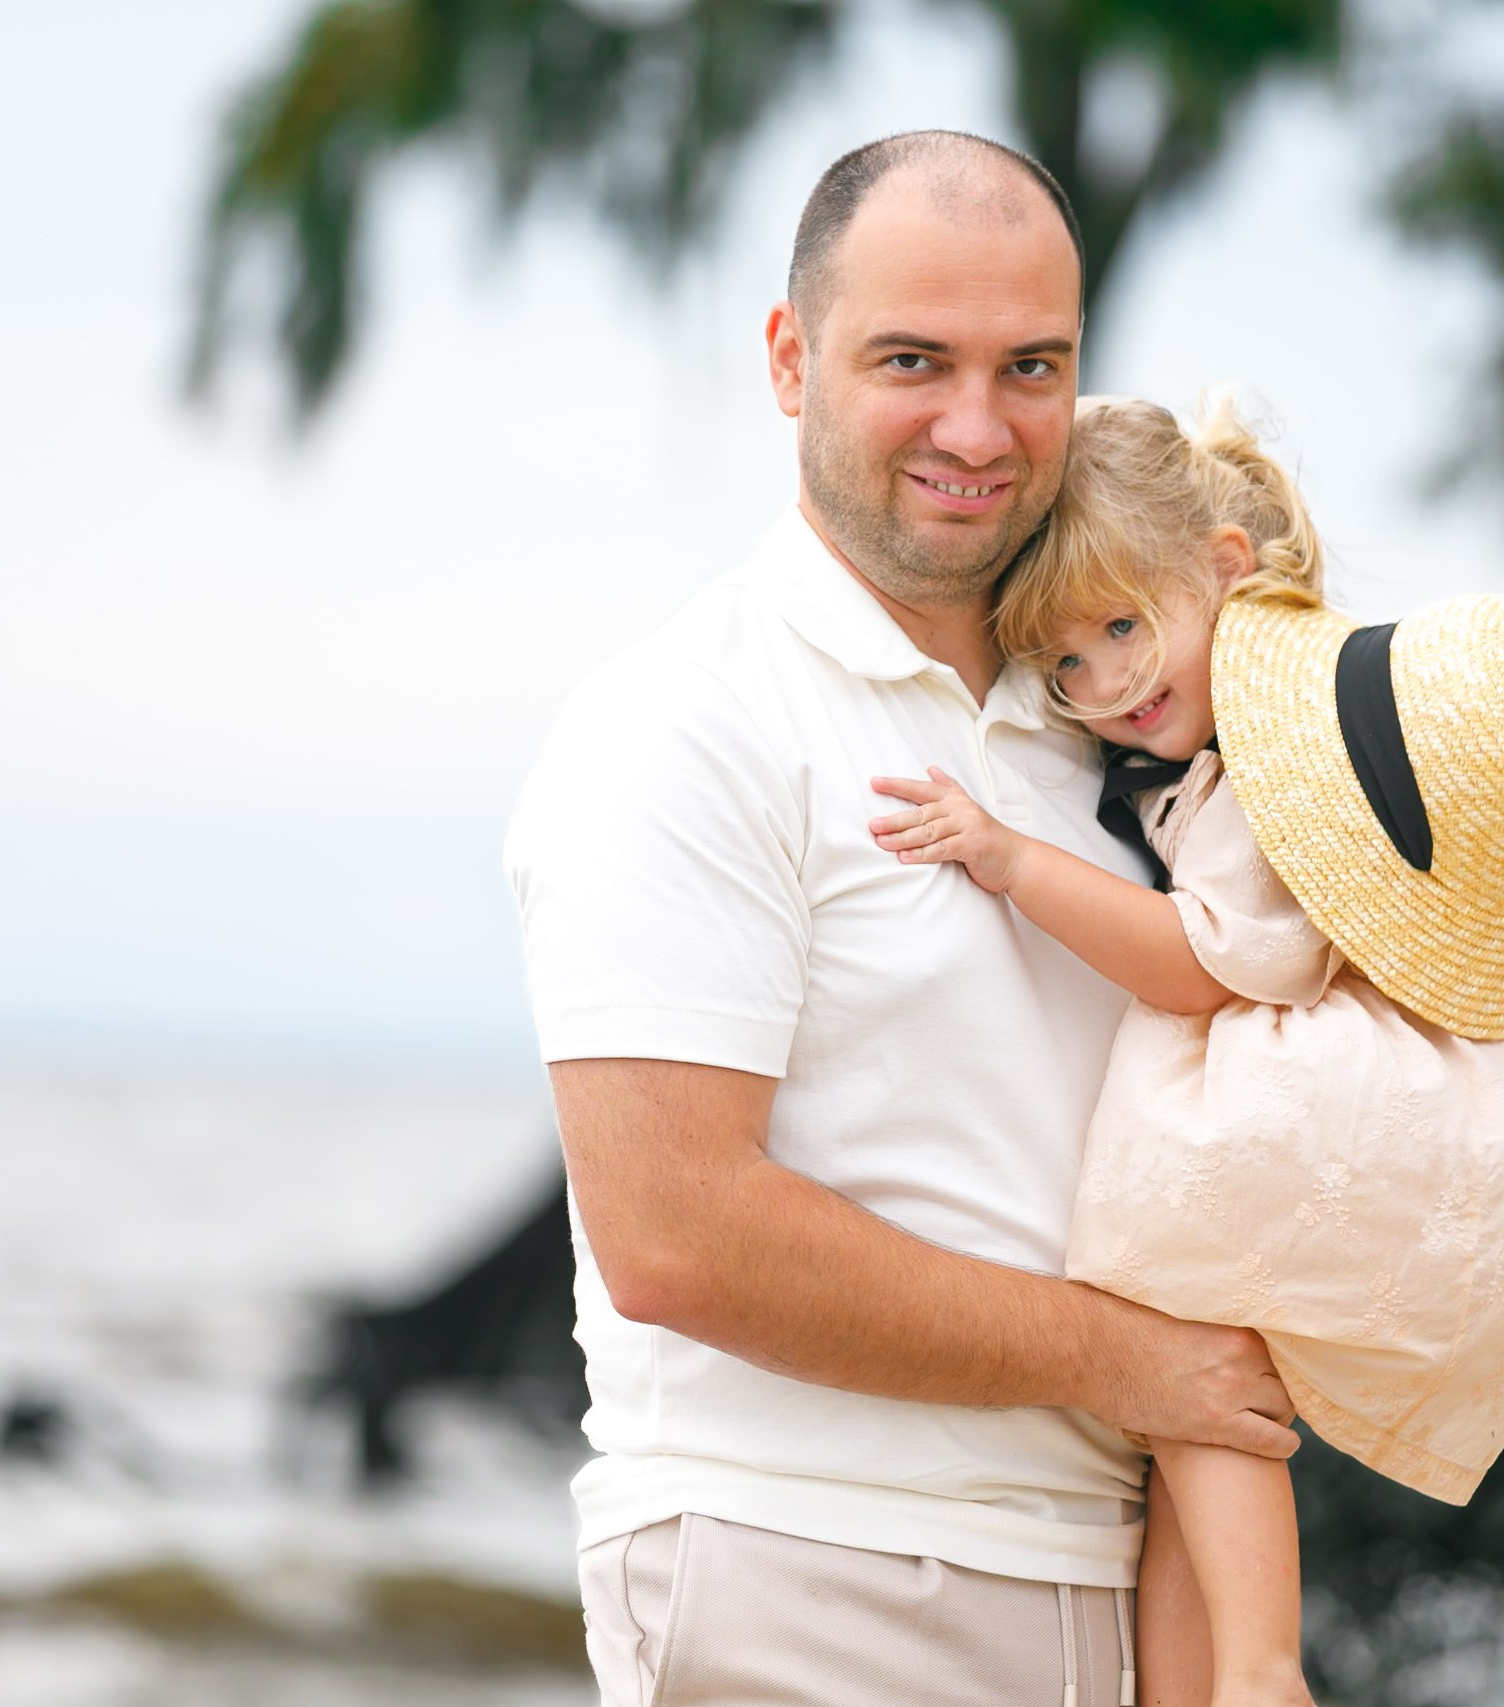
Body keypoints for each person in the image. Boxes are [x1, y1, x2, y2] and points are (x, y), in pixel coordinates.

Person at [506, 136, 1299, 1705]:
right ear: (791, 361)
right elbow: (675, 1237)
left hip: (1111, 1577)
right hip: (813, 1574)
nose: (975, 427)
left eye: (1031, 368)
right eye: (911, 361)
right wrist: (1138, 1364)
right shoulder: (685, 724)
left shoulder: (1111, 711)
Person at [869, 395, 1504, 1705]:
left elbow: (1207, 958)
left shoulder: (1264, 780)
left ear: (1224, 567)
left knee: (1196, 1375)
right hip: (1406, 1118)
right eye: (1062, 667)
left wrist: (1012, 862)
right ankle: (1208, 1686)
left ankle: (1265, 1669)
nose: (1103, 686)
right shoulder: (1249, 743)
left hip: (1303, 1103)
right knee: (1195, 1425)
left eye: (1121, 629)